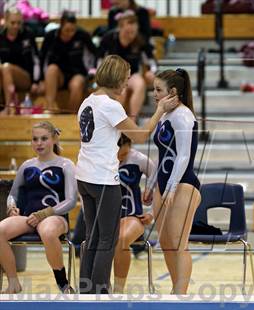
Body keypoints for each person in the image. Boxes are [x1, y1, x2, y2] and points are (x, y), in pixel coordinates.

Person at [76, 54, 177, 294]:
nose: (126, 85)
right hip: (102, 179)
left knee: (92, 236)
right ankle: (99, 293)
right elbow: (141, 136)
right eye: (125, 80)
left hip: (84, 176)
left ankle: (86, 292)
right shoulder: (110, 105)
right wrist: (160, 109)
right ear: (115, 78)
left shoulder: (87, 101)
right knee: (107, 240)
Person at [0, 121, 77, 294]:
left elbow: (71, 201)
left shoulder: (66, 165)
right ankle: (13, 283)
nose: (39, 143)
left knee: (48, 231)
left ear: (54, 139)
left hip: (56, 217)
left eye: (44, 138)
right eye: (35, 139)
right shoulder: (27, 166)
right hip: (29, 218)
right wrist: (12, 207)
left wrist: (45, 213)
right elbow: (13, 193)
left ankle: (63, 284)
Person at [143, 69, 201, 294]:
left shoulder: (184, 115)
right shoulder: (165, 115)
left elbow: (183, 155)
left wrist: (172, 186)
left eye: (158, 90)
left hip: (183, 184)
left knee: (178, 244)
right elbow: (164, 155)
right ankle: (176, 291)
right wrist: (151, 185)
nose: (154, 94)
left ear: (173, 91)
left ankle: (180, 296)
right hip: (165, 184)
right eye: (154, 89)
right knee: (166, 243)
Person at [113, 134, 155, 293]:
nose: (119, 158)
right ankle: (95, 290)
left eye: (123, 155)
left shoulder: (140, 159)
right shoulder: (101, 157)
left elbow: (160, 187)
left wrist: (152, 213)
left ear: (129, 144)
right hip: (107, 216)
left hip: (132, 216)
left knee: (121, 239)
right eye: (116, 154)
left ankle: (117, 291)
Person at [100, 10, 156, 121]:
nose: (131, 35)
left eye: (134, 31)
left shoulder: (140, 40)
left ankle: (132, 121)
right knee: (121, 92)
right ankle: (117, 122)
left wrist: (151, 71)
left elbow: (151, 61)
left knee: (140, 84)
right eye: (128, 32)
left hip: (132, 74)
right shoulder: (109, 39)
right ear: (121, 27)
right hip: (114, 76)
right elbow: (99, 61)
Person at [40, 10, 97, 113]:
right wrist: (39, 80)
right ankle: (49, 108)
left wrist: (92, 75)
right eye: (67, 30)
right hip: (59, 76)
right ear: (61, 26)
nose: (70, 33)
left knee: (77, 84)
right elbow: (42, 58)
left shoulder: (82, 36)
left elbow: (96, 54)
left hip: (77, 74)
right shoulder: (50, 36)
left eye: (73, 30)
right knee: (52, 69)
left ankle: (70, 115)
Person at [0, 7, 40, 114]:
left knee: (6, 67)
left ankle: (8, 108)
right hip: (5, 77)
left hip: (25, 78)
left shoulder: (28, 35)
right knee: (3, 69)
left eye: (19, 23)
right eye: (13, 23)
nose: (16, 26)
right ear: (5, 21)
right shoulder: (1, 37)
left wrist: (36, 81)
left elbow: (36, 59)